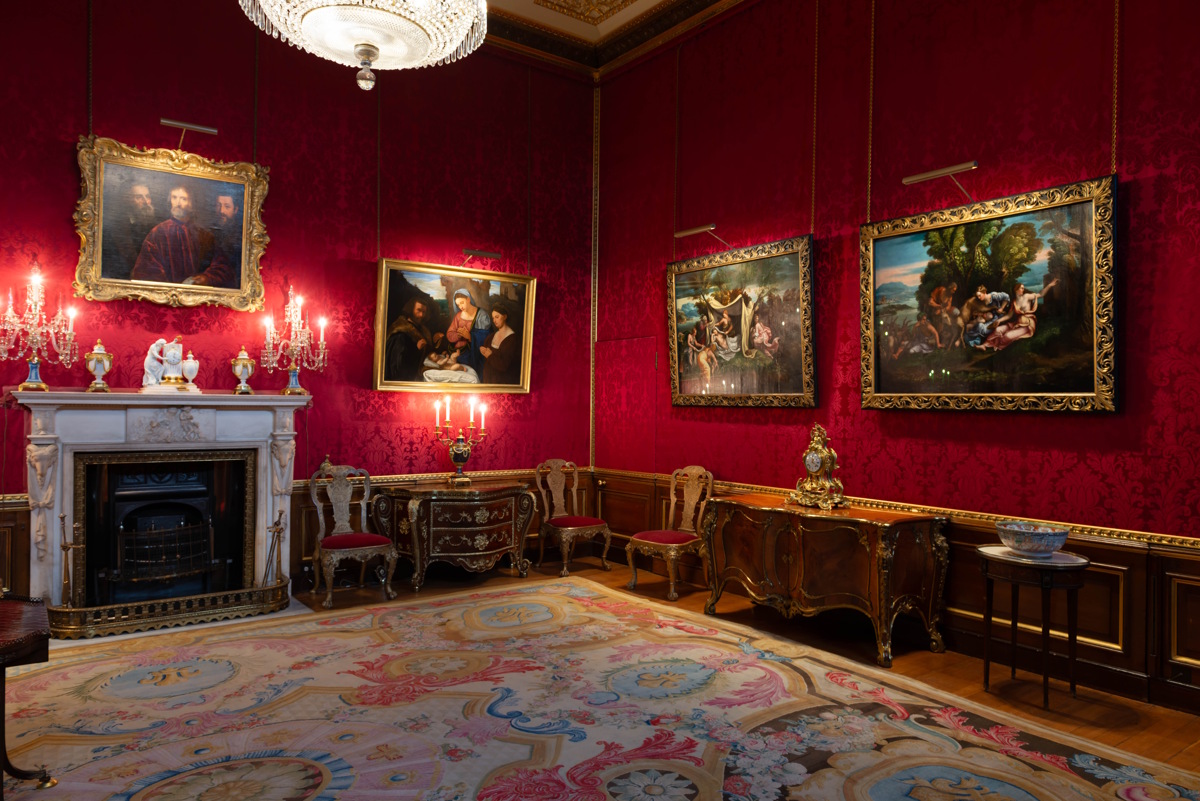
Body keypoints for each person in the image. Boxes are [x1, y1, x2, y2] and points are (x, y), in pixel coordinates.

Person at [131, 184, 233, 286]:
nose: (178, 203)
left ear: (191, 204)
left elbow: (222, 266)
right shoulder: (157, 232)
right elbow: (145, 269)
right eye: (174, 197)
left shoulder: (204, 235)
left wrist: (206, 278)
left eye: (183, 199)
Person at [981, 278, 1060, 351]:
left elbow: (1040, 294)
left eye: (1023, 288)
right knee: (998, 329)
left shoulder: (1026, 296)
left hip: (1027, 324)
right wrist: (999, 320)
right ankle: (984, 345)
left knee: (1007, 336)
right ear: (1016, 290)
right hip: (1017, 323)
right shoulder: (1014, 302)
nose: (1023, 289)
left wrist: (1049, 285)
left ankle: (997, 345)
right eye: (1021, 288)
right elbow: (1009, 315)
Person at [102, 181, 158, 280]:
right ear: (127, 200)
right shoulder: (118, 225)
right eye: (139, 197)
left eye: (147, 197)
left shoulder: (156, 225)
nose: (145, 202)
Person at [384, 298, 442, 382]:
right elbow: (398, 367)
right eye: (419, 310)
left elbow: (428, 354)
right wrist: (416, 350)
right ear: (410, 310)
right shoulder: (400, 334)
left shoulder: (422, 329)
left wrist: (436, 341)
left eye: (424, 312)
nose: (421, 315)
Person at [444, 288, 490, 372]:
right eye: (458, 305)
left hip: (473, 355)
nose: (460, 307)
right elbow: (449, 334)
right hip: (458, 354)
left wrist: (470, 337)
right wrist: (458, 335)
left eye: (462, 302)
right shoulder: (458, 316)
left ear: (468, 299)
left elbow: (486, 337)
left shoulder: (481, 315)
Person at [479, 301, 522, 384]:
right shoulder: (491, 337)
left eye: (497, 317)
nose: (494, 320)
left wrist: (489, 355)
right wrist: (484, 351)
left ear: (505, 316)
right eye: (493, 318)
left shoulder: (512, 338)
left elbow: (504, 366)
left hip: (501, 381)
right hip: (488, 380)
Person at [209, 191, 243, 288]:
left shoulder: (240, 234)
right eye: (218, 205)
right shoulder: (210, 232)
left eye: (227, 206)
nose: (221, 211)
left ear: (235, 210)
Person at [926, 281, 960, 347]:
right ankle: (936, 337)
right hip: (934, 309)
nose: (954, 292)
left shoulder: (950, 297)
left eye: (955, 291)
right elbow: (930, 302)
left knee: (957, 312)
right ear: (949, 288)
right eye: (953, 290)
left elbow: (948, 307)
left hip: (943, 310)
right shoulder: (940, 290)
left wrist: (942, 309)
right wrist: (938, 306)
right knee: (938, 317)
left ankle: (953, 332)